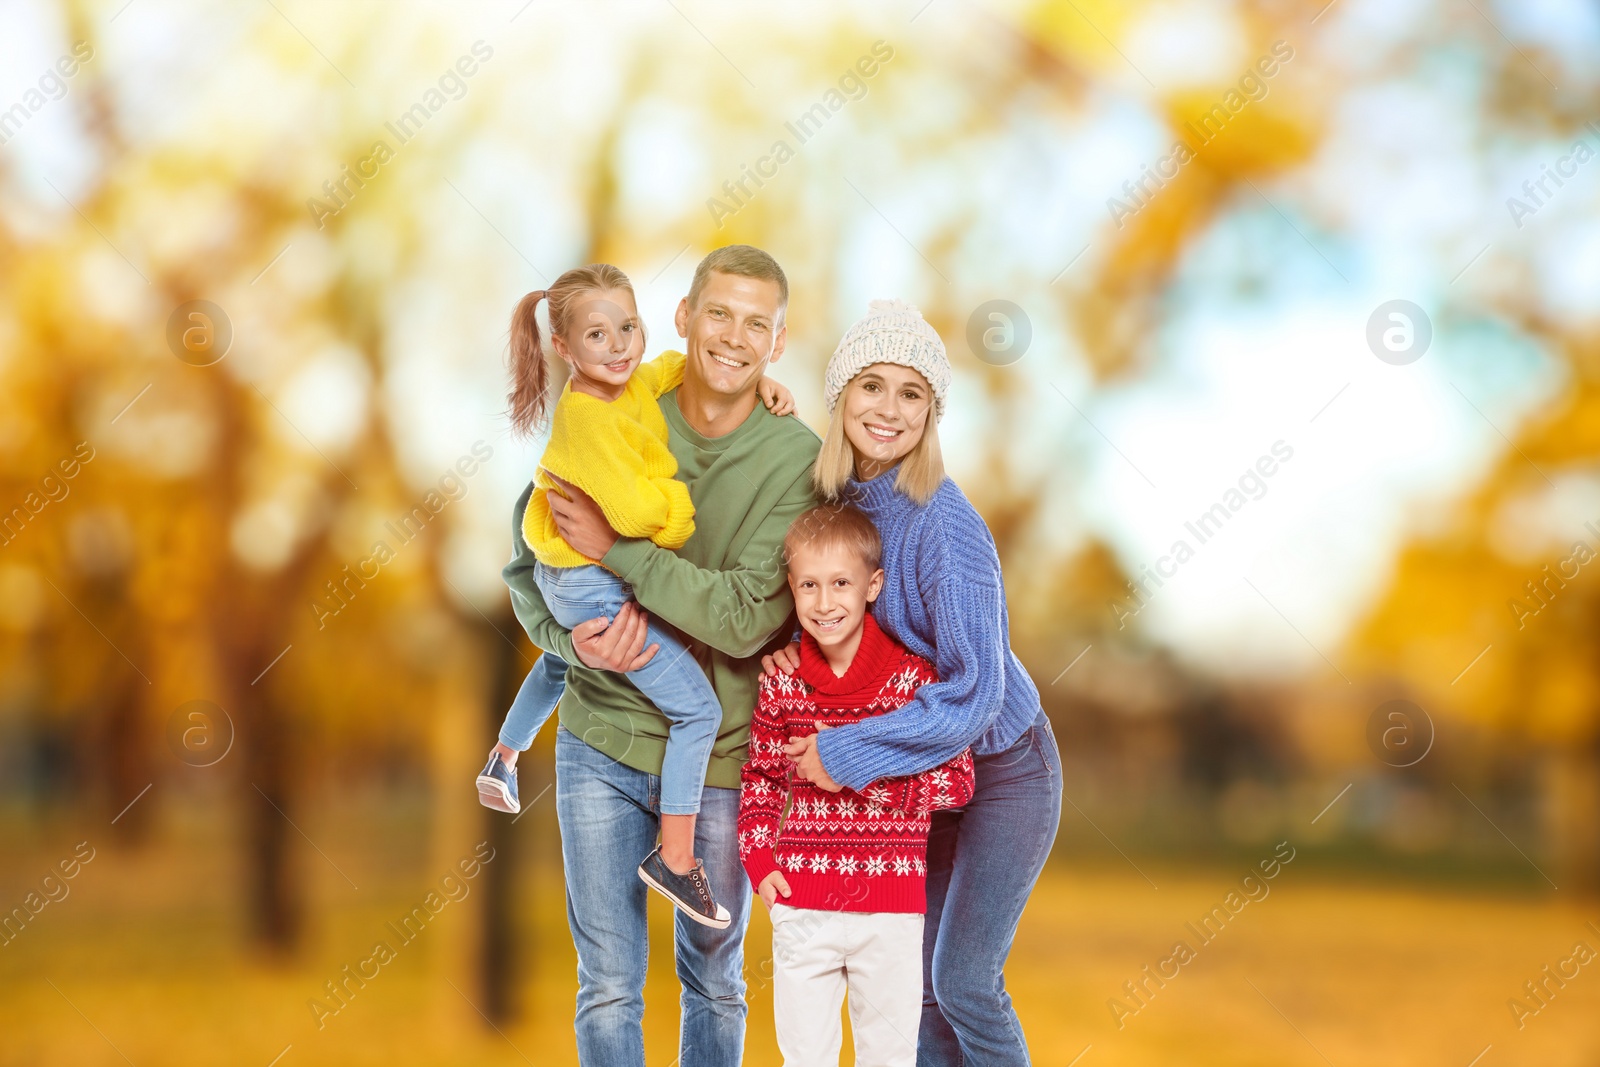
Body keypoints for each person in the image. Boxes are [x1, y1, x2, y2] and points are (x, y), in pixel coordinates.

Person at [503, 246, 821, 1067]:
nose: (734, 337)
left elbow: (748, 618)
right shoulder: (613, 399)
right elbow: (529, 558)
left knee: (716, 983)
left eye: (758, 323)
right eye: (719, 312)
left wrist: (619, 552)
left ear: (778, 342)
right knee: (607, 982)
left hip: (719, 756)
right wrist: (565, 638)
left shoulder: (795, 459)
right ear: (684, 318)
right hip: (600, 743)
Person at [766, 299, 1063, 1066]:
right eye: (871, 385)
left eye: (911, 393)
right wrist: (786, 653)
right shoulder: (838, 502)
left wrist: (850, 751)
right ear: (842, 398)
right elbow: (832, 607)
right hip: (919, 767)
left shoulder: (944, 524)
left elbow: (974, 695)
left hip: (1003, 766)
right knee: (917, 987)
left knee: (963, 979)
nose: (888, 408)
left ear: (931, 413)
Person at [476, 262, 794, 930]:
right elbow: (637, 514)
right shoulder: (591, 423)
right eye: (599, 334)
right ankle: (675, 860)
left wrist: (759, 379)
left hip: (574, 581)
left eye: (628, 326)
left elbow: (668, 370)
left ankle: (503, 756)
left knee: (564, 658)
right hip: (588, 580)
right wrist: (677, 515)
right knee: (698, 713)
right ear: (564, 347)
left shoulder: (630, 389)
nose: (620, 345)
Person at [740, 503, 974, 1067]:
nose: (825, 603)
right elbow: (762, 779)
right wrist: (758, 860)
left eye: (841, 583)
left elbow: (958, 783)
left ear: (873, 586)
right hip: (802, 904)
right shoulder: (784, 684)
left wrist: (858, 774)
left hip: (891, 912)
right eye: (809, 586)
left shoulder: (913, 683)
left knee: (888, 1059)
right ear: (792, 591)